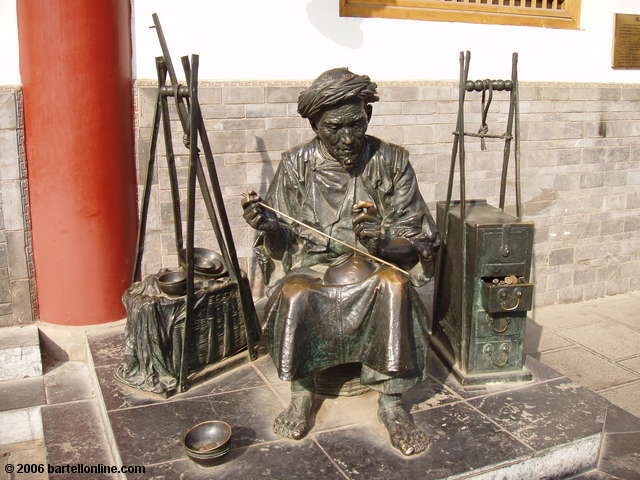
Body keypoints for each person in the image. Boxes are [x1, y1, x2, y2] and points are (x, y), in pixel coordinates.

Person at [241, 68, 439, 456]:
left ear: (369, 114)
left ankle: (391, 402)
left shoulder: (391, 161)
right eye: (334, 128)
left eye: (357, 124)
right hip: (313, 265)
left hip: (374, 265)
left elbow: (418, 241)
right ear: (316, 125)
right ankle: (302, 393)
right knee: (297, 293)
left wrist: (380, 242)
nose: (348, 138)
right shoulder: (296, 164)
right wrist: (267, 225)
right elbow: (281, 239)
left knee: (394, 287)